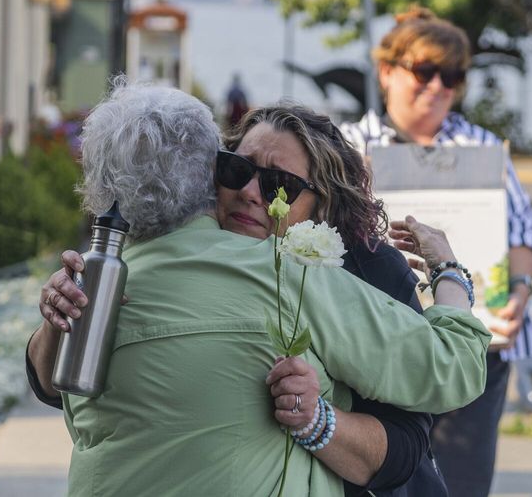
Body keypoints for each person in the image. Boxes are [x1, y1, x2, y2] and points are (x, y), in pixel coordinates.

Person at [27, 79, 490, 496]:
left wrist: (319, 422)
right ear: (209, 173)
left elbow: (409, 439)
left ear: (323, 206)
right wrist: (56, 318)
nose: (251, 191)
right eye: (235, 169)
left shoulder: (359, 271)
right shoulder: (112, 275)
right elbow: (55, 384)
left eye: (279, 184)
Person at [339, 8, 532, 497]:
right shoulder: (344, 146)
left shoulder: (484, 146)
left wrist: (518, 290)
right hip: (380, 344)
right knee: (388, 477)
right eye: (425, 71)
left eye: (452, 75)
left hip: (478, 345)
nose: (438, 86)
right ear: (387, 71)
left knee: (466, 481)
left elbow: (521, 236)